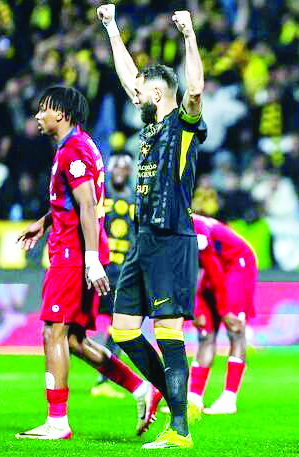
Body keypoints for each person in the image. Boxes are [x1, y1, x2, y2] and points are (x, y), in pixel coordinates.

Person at [15, 86, 161, 440]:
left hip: (72, 255)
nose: (38, 116)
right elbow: (72, 202)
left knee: (53, 332)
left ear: (61, 114)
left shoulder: (74, 150)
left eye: (43, 109)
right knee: (74, 340)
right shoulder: (78, 146)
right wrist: (45, 222)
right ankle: (141, 389)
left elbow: (87, 207)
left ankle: (57, 421)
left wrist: (91, 260)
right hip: (75, 251)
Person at [97, 4, 206, 450]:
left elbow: (194, 89)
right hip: (144, 241)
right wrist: (111, 28)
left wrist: (189, 35)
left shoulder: (181, 125)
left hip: (171, 239)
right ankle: (173, 396)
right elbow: (129, 78)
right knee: (123, 330)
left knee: (167, 331)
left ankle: (179, 429)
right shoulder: (150, 127)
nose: (133, 95)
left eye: (140, 92)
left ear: (157, 94)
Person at [184, 214, 257, 414]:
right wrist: (196, 309)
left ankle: (229, 399)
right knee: (205, 332)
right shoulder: (174, 227)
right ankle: (194, 398)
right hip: (213, 269)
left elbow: (213, 269)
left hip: (237, 265)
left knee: (235, 330)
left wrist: (224, 311)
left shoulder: (197, 229)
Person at [91, 153, 135, 399]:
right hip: (98, 269)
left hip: (123, 273)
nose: (121, 170)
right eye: (117, 166)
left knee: (119, 324)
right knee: (75, 323)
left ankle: (103, 380)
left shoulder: (136, 199)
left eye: (125, 167)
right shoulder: (99, 196)